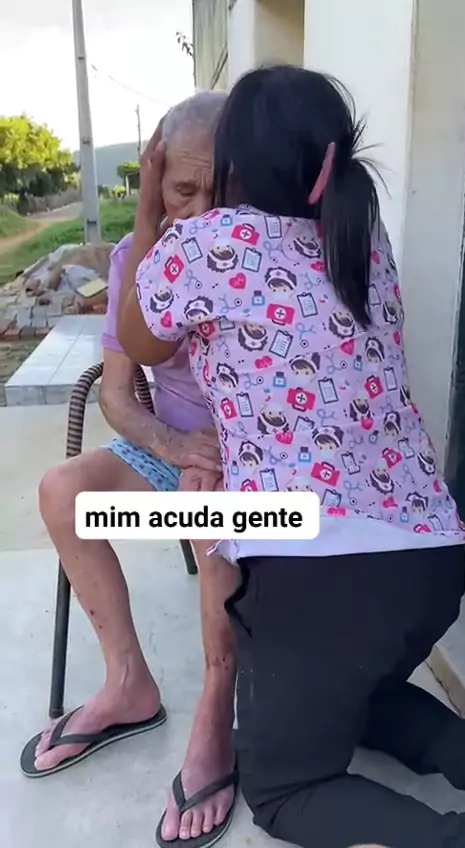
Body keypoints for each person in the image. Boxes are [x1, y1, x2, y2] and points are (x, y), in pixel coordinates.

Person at [118, 65, 465, 848]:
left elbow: (138, 340)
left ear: (233, 167)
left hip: (321, 579)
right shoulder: (362, 239)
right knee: (360, 696)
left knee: (286, 790)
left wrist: (151, 205)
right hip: (431, 561)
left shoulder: (207, 244)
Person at [20, 92, 241, 848]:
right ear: (153, 180)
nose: (201, 210)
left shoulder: (259, 254)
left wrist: (208, 459)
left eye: (220, 190)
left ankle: (217, 707)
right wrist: (173, 445)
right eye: (183, 190)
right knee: (62, 491)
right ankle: (128, 685)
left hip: (255, 463)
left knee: (210, 507)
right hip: (173, 449)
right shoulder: (131, 260)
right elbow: (116, 396)